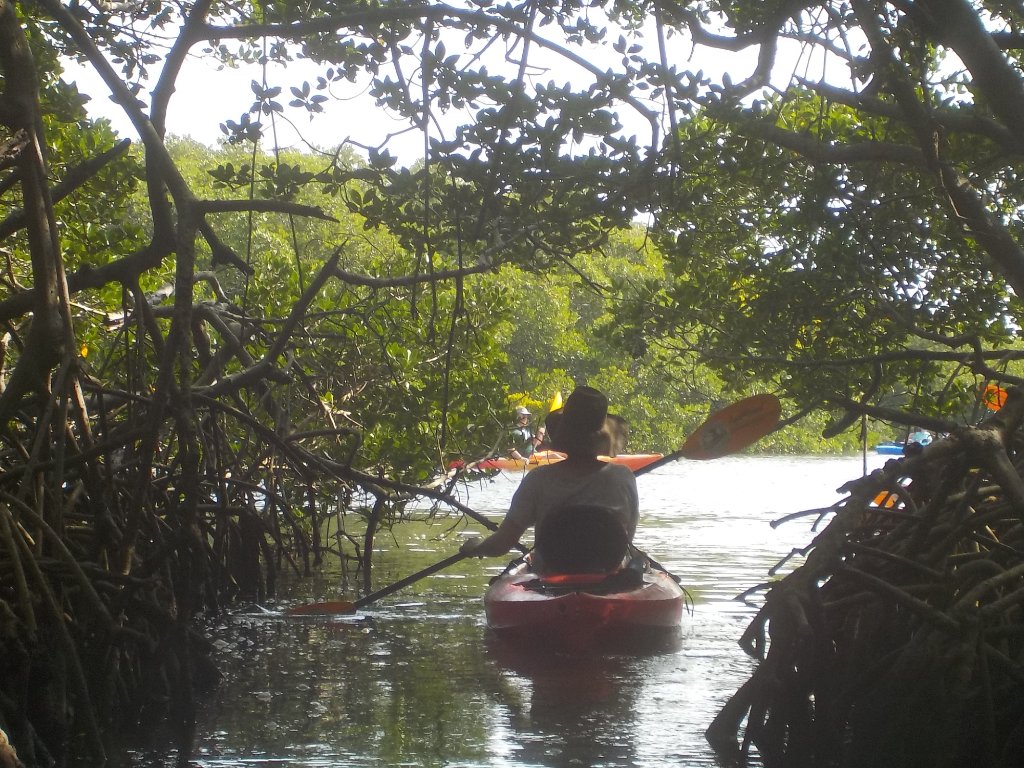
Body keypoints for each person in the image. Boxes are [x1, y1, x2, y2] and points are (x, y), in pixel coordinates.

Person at [461, 386, 639, 572]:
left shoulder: (538, 480)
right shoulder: (623, 477)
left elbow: (502, 544)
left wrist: (476, 548)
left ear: (563, 432)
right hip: (607, 577)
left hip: (551, 580)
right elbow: (628, 539)